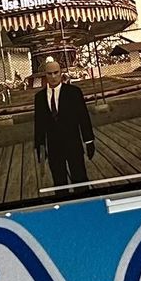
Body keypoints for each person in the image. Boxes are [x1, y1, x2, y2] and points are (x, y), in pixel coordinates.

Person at [33, 59, 95, 189]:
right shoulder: (39, 97)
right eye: (50, 73)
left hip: (73, 143)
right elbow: (39, 123)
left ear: (61, 73)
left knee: (80, 178)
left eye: (56, 72)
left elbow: (83, 117)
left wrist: (89, 140)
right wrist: (39, 145)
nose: (53, 76)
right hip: (53, 147)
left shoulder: (74, 92)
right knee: (59, 181)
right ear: (45, 74)